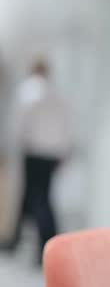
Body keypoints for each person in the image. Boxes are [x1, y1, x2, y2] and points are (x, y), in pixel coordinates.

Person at [2, 59, 74, 264]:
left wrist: (13, 146)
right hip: (52, 154)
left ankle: (49, 246)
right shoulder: (58, 94)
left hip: (34, 152)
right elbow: (68, 125)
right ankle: (16, 241)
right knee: (33, 197)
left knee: (40, 200)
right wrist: (64, 152)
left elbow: (19, 123)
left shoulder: (29, 90)